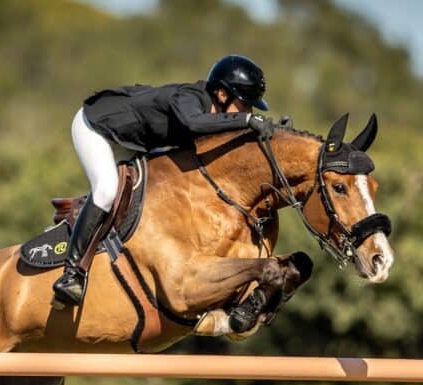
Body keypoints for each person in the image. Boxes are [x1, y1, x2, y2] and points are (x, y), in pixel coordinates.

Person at [52, 54, 277, 308]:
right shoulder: (188, 98)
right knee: (106, 191)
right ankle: (72, 274)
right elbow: (194, 123)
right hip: (97, 128)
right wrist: (246, 121)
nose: (248, 111)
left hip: (132, 142)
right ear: (223, 95)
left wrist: (273, 135)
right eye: (245, 105)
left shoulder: (215, 112)